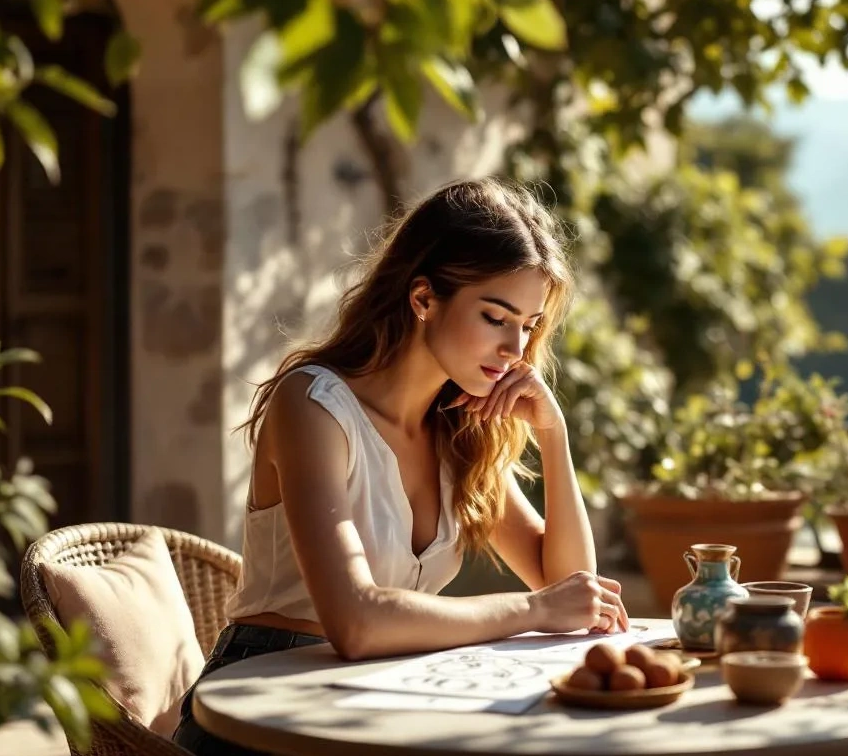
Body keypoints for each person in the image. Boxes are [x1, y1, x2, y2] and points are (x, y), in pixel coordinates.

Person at [172, 177, 629, 754]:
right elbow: (356, 623)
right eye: (496, 317)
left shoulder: (460, 432)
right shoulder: (313, 405)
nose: (516, 350)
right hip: (260, 707)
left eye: (529, 326)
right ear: (423, 300)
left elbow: (571, 591)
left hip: (383, 700)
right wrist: (533, 610)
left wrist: (554, 436)